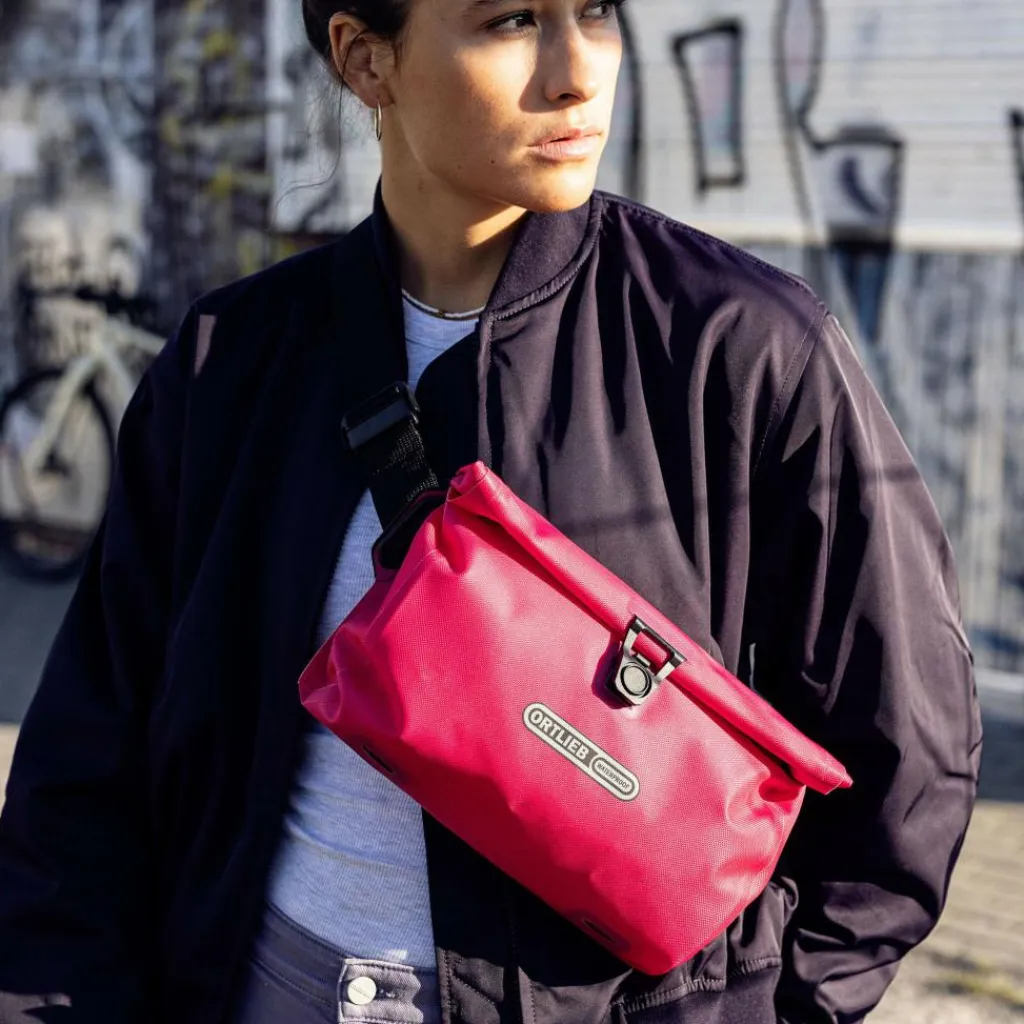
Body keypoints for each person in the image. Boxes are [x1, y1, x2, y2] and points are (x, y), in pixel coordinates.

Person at [0, 0, 982, 1021]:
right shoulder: (229, 362)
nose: (577, 71)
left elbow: (908, 749)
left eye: (594, 11)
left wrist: (767, 1006)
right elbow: (85, 764)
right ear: (365, 60)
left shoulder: (739, 351)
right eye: (511, 20)